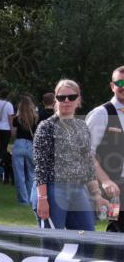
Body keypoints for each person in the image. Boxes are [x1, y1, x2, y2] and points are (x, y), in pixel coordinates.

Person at [33, 79, 110, 230]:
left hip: (78, 188)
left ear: (78, 99)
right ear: (56, 100)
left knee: (88, 239)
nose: (66, 101)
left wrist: (96, 195)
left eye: (71, 97)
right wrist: (42, 198)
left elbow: (87, 164)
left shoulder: (81, 127)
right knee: (53, 244)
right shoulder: (46, 127)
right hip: (53, 189)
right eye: (61, 97)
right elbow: (40, 167)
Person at [85, 65, 124, 228]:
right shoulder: (101, 113)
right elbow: (86, 153)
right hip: (111, 187)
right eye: (120, 83)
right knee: (115, 225)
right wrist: (106, 181)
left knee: (116, 227)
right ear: (112, 86)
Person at [11, 95, 39, 205]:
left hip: (19, 144)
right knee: (31, 174)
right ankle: (31, 198)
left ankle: (23, 200)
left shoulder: (16, 119)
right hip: (31, 145)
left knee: (19, 175)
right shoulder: (36, 118)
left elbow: (13, 133)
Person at [0, 88, 15, 184]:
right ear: (7, 96)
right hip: (5, 129)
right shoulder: (9, 105)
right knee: (4, 148)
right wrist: (12, 128)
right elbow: (10, 118)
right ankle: (4, 166)